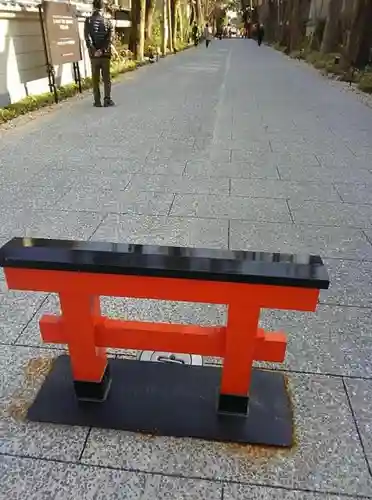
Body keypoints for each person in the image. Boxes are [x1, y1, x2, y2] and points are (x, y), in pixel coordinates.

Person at [84, 0, 114, 107]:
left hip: (94, 57)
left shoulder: (88, 21)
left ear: (93, 7)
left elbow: (87, 39)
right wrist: (102, 50)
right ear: (103, 8)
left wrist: (94, 51)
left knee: (95, 80)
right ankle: (107, 99)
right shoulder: (108, 22)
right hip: (105, 55)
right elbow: (109, 39)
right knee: (106, 79)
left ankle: (97, 101)